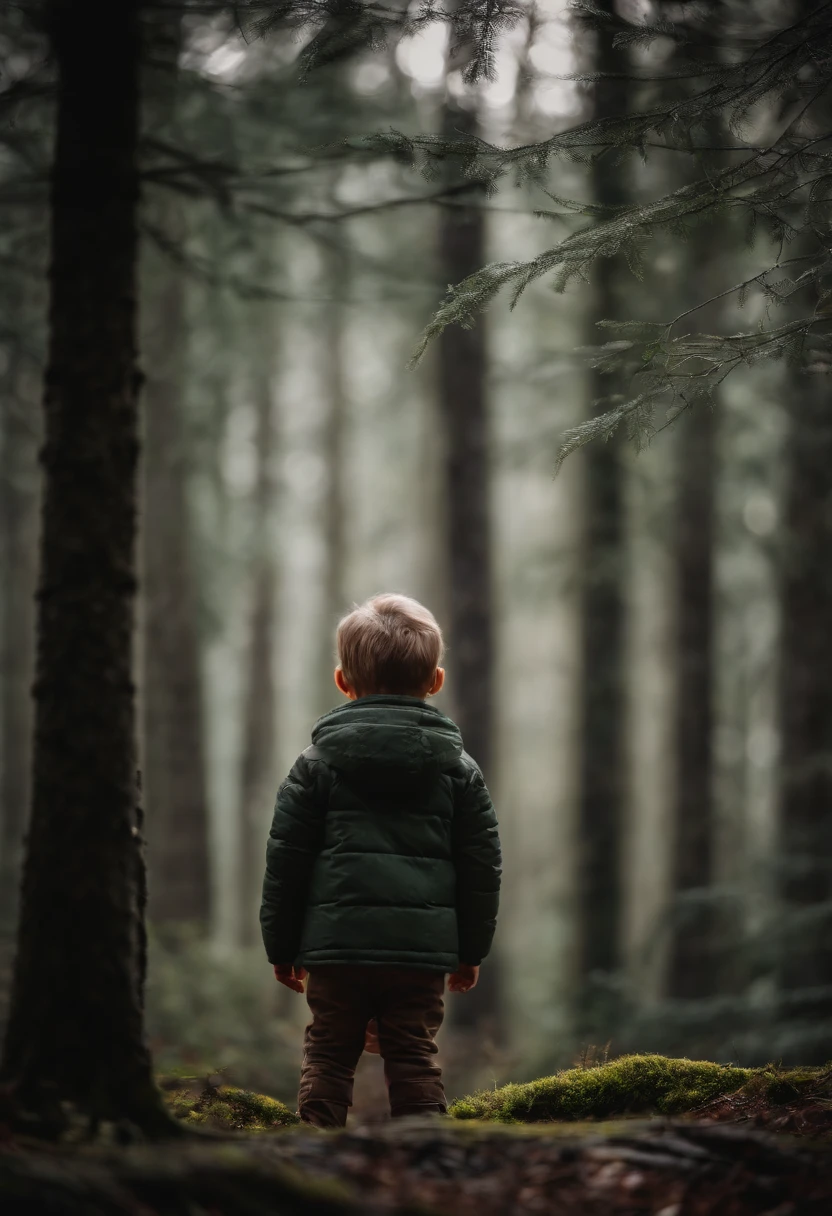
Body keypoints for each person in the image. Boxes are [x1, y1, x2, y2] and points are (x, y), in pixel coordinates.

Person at [260, 592, 502, 1128]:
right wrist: (470, 950)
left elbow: (287, 861)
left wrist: (282, 945)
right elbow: (482, 865)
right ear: (434, 681)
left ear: (343, 681)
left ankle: (316, 1152)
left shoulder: (313, 766)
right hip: (419, 954)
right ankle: (427, 1153)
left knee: (327, 1052)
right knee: (413, 1053)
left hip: (334, 948)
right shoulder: (458, 771)